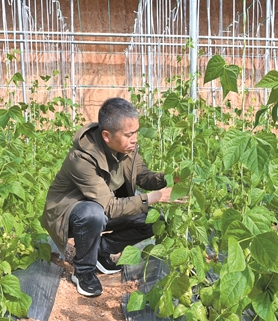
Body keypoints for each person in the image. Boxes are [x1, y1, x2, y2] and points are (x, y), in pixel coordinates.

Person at [42, 97, 179, 297]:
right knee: (93, 213)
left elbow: (143, 176)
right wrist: (155, 197)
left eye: (136, 132)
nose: (135, 139)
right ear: (107, 136)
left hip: (101, 208)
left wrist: (170, 178)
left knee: (152, 220)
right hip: (69, 216)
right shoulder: (82, 158)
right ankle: (83, 271)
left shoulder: (126, 148)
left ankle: (99, 251)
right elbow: (109, 207)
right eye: (129, 134)